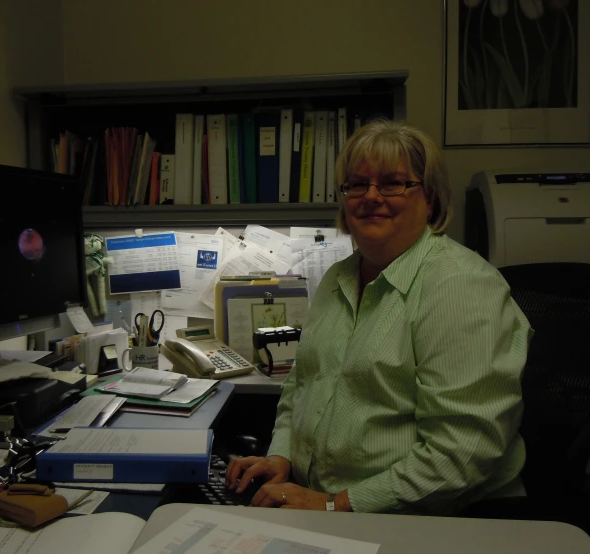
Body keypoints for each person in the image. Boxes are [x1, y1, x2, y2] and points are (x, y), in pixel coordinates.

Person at [225, 119, 532, 515]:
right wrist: (282, 459)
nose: (370, 196)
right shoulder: (339, 277)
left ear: (431, 198)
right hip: (330, 504)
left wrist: (335, 505)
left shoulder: (460, 286)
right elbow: (303, 387)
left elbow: (462, 453)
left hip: (437, 519)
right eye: (357, 184)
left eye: (392, 183)